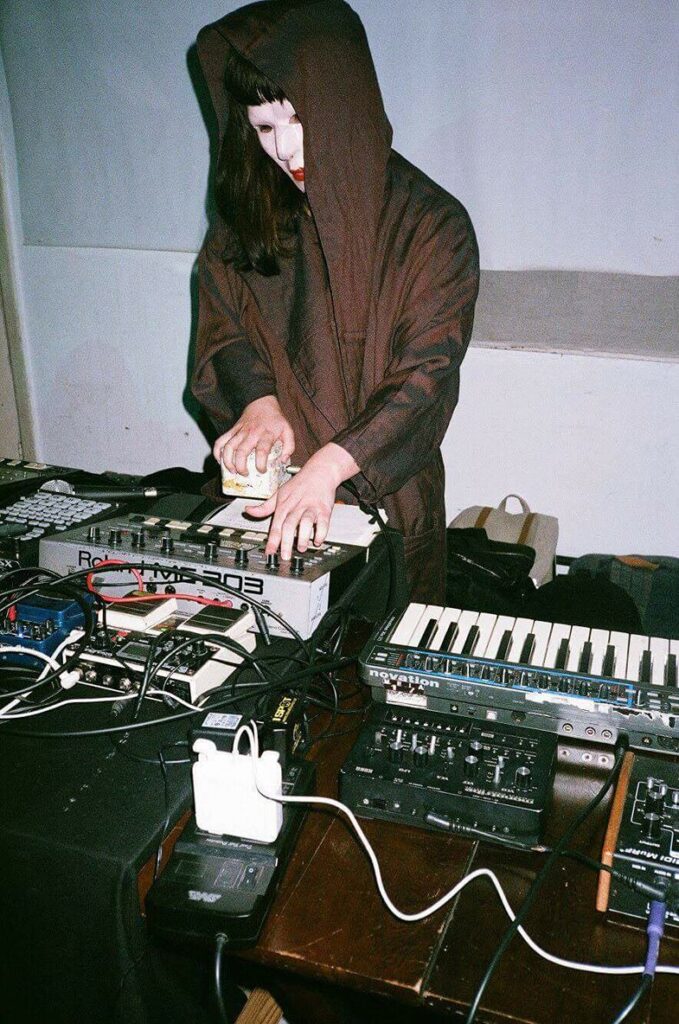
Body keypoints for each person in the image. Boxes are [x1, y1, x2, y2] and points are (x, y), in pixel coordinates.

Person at [192, 0, 479, 603]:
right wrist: (257, 402)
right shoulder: (247, 214)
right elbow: (224, 326)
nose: (284, 150)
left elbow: (425, 377)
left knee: (375, 652)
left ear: (342, 105)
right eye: (264, 128)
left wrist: (330, 465)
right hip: (267, 496)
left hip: (383, 501)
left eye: (298, 121)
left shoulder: (434, 226)